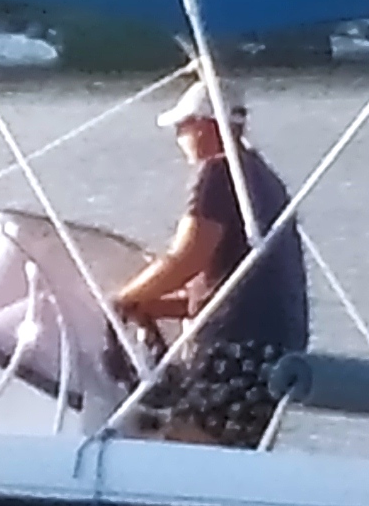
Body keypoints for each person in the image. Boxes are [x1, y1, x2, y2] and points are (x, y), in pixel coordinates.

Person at [107, 78, 308, 446]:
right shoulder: (264, 177)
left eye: (182, 127)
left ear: (203, 125)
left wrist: (123, 299)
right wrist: (154, 306)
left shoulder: (218, 172)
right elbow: (231, 288)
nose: (178, 137)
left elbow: (187, 259)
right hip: (277, 350)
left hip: (237, 351)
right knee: (228, 450)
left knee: (187, 442)